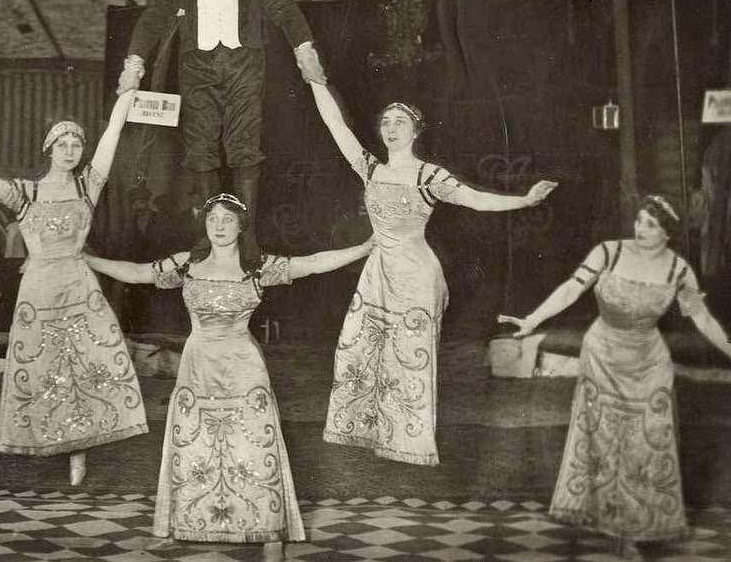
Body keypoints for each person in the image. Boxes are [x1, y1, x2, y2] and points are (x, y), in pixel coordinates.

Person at [84, 193, 373, 556]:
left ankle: (271, 534)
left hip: (243, 364)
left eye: (228, 219)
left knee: (255, 442)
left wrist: (363, 248)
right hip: (197, 363)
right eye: (213, 219)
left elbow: (313, 263)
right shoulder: (187, 264)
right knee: (190, 440)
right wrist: (86, 258)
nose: (219, 226)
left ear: (241, 226)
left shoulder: (257, 268)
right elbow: (138, 273)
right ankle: (179, 523)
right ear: (205, 224)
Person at [308, 82, 558, 465]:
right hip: (377, 272)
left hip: (416, 274)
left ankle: (411, 444)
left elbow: (476, 200)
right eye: (386, 123)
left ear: (415, 131)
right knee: (355, 350)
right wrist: (316, 81)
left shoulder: (430, 177)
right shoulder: (370, 168)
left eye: (400, 122)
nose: (392, 129)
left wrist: (525, 200)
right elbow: (336, 125)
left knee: (411, 357)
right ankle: (366, 431)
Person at [0, 89, 144, 486]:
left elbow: (113, 136)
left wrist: (127, 94)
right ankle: (49, 440)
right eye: (62, 144)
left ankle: (79, 452)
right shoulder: (26, 193)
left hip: (80, 288)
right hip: (38, 291)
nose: (70, 151)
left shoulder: (89, 186)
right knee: (42, 369)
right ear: (48, 149)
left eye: (76, 145)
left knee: (86, 369)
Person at [499, 195, 731, 558]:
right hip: (603, 356)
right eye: (639, 220)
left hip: (650, 361)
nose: (640, 229)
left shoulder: (678, 270)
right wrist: (533, 319)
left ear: (668, 232)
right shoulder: (608, 253)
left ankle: (638, 524)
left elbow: (702, 318)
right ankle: (619, 528)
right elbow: (571, 288)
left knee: (648, 440)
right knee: (608, 442)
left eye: (651, 224)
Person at [117, 0, 327, 246]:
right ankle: (208, 236)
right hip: (196, 66)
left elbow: (284, 9)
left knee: (244, 144)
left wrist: (305, 51)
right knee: (200, 148)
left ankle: (248, 237)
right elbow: (153, 17)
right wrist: (133, 64)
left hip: (244, 62)